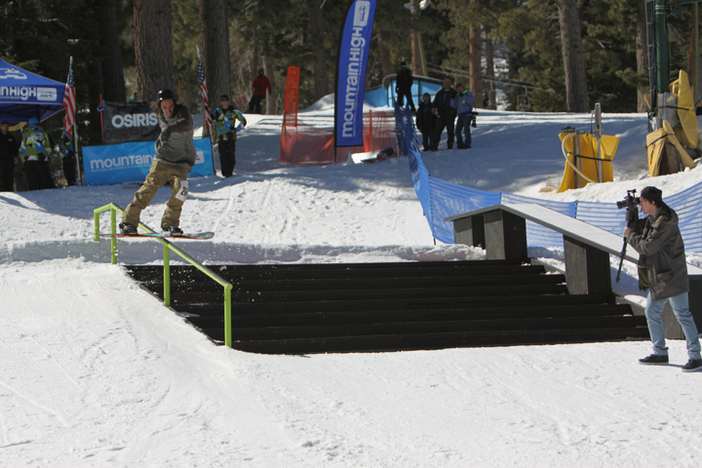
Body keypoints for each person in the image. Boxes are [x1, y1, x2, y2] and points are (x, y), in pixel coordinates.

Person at [624, 186, 702, 372]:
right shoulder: (654, 218)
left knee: (682, 314)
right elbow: (642, 231)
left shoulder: (666, 223)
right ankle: (660, 352)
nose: (640, 204)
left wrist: (629, 236)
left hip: (672, 275)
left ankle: (695, 356)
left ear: (653, 203)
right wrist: (633, 217)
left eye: (642, 201)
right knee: (651, 312)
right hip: (660, 276)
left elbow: (648, 247)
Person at [119, 89, 197, 236]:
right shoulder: (160, 114)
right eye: (164, 107)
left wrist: (169, 129)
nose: (168, 111)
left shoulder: (183, 113)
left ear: (176, 104)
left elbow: (186, 124)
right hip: (162, 158)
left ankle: (170, 223)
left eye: (171, 106)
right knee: (149, 187)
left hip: (182, 161)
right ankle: (128, 221)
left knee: (181, 191)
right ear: (160, 107)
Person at [211, 95, 247, 177]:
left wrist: (236, 129)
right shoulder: (217, 112)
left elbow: (243, 121)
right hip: (221, 137)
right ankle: (225, 172)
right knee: (222, 155)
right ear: (221, 102)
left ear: (228, 101)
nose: (224, 102)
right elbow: (210, 121)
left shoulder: (234, 112)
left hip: (230, 136)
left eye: (226, 101)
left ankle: (229, 172)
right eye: (223, 101)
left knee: (231, 155)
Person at [20, 117, 54, 191]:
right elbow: (47, 146)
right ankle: (48, 189)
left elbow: (23, 146)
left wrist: (22, 156)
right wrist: (47, 155)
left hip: (30, 158)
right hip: (41, 157)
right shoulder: (43, 132)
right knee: (44, 176)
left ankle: (33, 190)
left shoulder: (27, 132)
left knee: (32, 177)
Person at [430, 77, 457, 151]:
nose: (446, 83)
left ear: (451, 83)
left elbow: (458, 103)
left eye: (448, 82)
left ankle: (450, 144)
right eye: (445, 82)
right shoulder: (440, 93)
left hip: (450, 114)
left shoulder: (454, 93)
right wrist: (433, 108)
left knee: (450, 130)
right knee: (437, 130)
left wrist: (454, 111)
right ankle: (435, 145)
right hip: (441, 114)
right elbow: (435, 103)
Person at [451, 82, 475, 149]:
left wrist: (463, 96)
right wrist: (453, 99)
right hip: (460, 115)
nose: (459, 90)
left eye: (460, 89)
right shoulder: (458, 96)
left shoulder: (468, 93)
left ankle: (467, 144)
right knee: (457, 131)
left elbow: (470, 101)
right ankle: (460, 144)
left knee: (466, 130)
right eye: (458, 89)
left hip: (467, 114)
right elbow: (453, 105)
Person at [0, 121, 18, 191]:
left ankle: (9, 190)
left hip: (9, 159)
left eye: (7, 126)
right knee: (1, 175)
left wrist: (16, 156)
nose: (6, 127)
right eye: (4, 126)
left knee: (10, 175)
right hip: (1, 159)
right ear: (1, 127)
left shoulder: (11, 137)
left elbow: (15, 148)